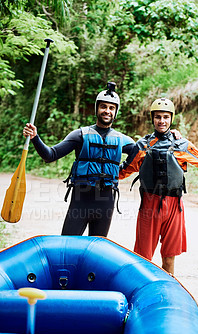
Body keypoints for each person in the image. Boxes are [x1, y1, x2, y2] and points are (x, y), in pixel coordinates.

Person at [119, 98, 198, 275]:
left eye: (165, 117)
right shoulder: (142, 145)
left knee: (169, 256)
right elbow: (124, 170)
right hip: (149, 204)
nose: (161, 121)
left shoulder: (182, 145)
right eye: (157, 117)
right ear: (152, 119)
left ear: (171, 119)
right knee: (143, 258)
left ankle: (168, 291)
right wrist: (102, 175)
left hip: (174, 206)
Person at [23, 82, 136, 237]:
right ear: (97, 108)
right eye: (103, 106)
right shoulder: (80, 135)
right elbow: (50, 155)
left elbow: (140, 154)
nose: (107, 111)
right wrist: (35, 138)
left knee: (95, 251)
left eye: (111, 108)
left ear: (116, 112)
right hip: (81, 201)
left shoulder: (122, 140)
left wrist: (120, 169)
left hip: (106, 203)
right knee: (67, 248)